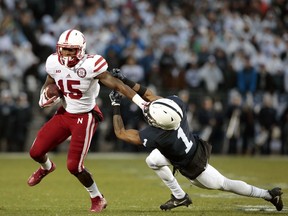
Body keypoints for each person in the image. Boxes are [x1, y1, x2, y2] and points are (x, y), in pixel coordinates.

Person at [107, 69, 283, 211]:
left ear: (158, 123)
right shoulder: (176, 107)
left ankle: (268, 194)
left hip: (194, 166)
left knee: (224, 184)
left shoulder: (159, 135)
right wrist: (125, 80)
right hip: (188, 147)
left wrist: (115, 105)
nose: (148, 112)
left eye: (151, 115)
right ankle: (179, 196)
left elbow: (121, 133)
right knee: (153, 159)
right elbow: (149, 95)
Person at [27, 29, 147, 213]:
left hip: (85, 116)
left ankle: (97, 197)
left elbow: (118, 85)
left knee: (74, 166)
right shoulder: (52, 61)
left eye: (71, 50)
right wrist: (45, 95)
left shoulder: (92, 64)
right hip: (64, 113)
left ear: (81, 50)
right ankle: (47, 167)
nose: (66, 54)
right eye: (64, 50)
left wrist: (141, 103)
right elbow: (49, 81)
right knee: (35, 152)